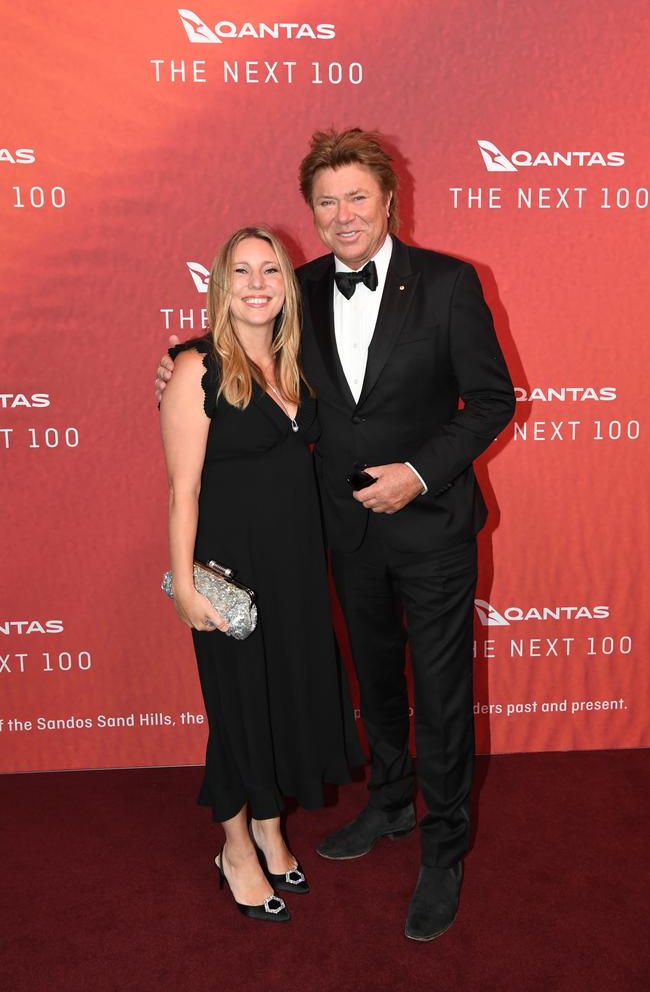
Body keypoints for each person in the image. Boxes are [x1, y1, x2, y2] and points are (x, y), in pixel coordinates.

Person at [157, 128, 515, 941]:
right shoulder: (300, 287)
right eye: (327, 201)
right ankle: (390, 804)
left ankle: (443, 846)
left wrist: (418, 473)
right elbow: (239, 349)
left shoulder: (452, 285)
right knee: (378, 686)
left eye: (358, 196)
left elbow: (492, 402)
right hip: (340, 536)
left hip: (430, 531)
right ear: (311, 214)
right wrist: (177, 363)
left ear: (390, 199)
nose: (344, 213)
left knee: (443, 693)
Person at [159, 225, 362, 924]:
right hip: (230, 571)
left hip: (299, 564)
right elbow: (181, 490)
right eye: (240, 271)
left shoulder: (300, 362)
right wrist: (184, 585)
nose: (255, 284)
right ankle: (235, 847)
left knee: (287, 698)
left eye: (270, 271)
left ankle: (273, 828)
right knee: (240, 710)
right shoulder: (196, 367)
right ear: (220, 284)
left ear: (286, 286)